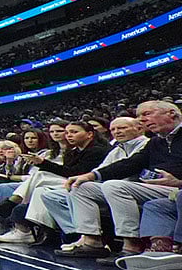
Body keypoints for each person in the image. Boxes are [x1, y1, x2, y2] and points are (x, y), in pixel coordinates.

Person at [59, 101, 182, 261]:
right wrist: (90, 176)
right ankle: (92, 242)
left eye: (147, 114)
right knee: (82, 187)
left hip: (176, 187)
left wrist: (179, 181)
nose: (141, 120)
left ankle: (131, 245)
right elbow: (130, 164)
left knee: (115, 186)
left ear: (171, 113)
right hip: (157, 187)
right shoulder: (156, 141)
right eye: (139, 116)